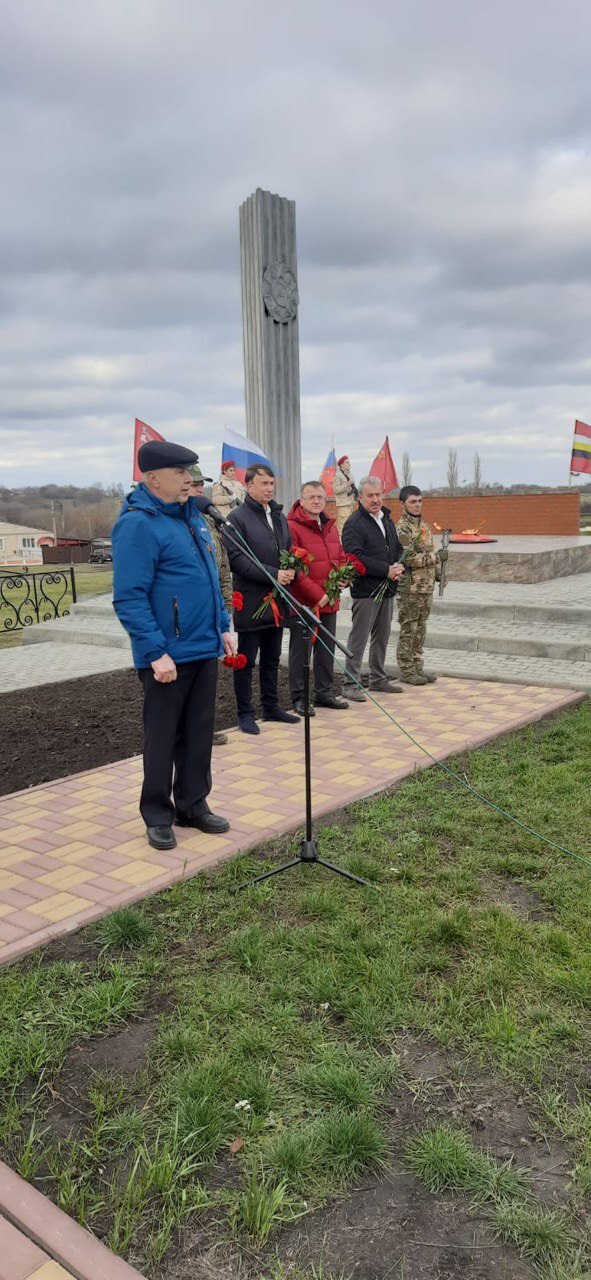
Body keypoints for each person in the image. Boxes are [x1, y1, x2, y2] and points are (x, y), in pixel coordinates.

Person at [112, 440, 236, 851]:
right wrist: (154, 652)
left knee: (199, 733)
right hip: (166, 654)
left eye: (191, 472)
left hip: (203, 646)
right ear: (153, 479)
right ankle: (157, 813)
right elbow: (129, 596)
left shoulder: (194, 518)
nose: (190, 480)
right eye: (182, 473)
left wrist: (224, 624)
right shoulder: (138, 524)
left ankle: (192, 804)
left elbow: (209, 579)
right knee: (163, 737)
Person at [222, 463, 300, 735]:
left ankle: (271, 706)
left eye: (271, 483)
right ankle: (245, 713)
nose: (269, 488)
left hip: (277, 601)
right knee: (247, 660)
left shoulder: (278, 516)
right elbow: (238, 560)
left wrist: (292, 566)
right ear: (249, 485)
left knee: (272, 657)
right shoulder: (236, 518)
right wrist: (274, 574)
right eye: (263, 483)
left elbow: (287, 548)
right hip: (252, 602)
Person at [287, 481, 349, 715]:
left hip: (329, 600)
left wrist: (344, 577)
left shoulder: (330, 525)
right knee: (301, 652)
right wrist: (317, 594)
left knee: (327, 649)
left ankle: (324, 692)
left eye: (320, 497)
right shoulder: (292, 527)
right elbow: (295, 567)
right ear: (301, 500)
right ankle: (299, 697)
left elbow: (340, 555)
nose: (316, 501)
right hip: (305, 603)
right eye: (311, 497)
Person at [341, 476, 405, 702]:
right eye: (370, 496)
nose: (376, 499)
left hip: (387, 588)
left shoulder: (386, 518)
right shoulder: (354, 523)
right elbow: (355, 556)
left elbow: (396, 547)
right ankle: (350, 683)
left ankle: (378, 678)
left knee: (382, 635)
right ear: (360, 497)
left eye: (378, 495)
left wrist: (399, 564)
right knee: (359, 638)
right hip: (366, 591)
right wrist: (385, 570)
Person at [186, 466, 232, 745]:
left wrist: (226, 606)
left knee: (207, 679)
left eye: (201, 486)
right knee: (188, 678)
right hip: (188, 615)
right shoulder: (177, 523)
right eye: (193, 485)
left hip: (213, 612)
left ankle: (203, 727)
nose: (198, 491)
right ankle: (186, 730)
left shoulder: (208, 520)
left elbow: (223, 567)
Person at [396, 485, 448, 685]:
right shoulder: (402, 528)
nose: (417, 505)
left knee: (421, 629)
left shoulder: (424, 526)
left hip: (426, 588)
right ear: (403, 504)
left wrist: (438, 575)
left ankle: (417, 665)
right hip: (410, 589)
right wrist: (436, 558)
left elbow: (429, 552)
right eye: (413, 502)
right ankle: (406, 670)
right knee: (409, 629)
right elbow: (407, 558)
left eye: (419, 501)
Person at [333, 455, 358, 535]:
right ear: (342, 465)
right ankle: (340, 547)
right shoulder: (338, 475)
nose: (349, 464)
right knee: (342, 529)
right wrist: (348, 484)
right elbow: (336, 490)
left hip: (350, 504)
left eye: (349, 462)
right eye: (347, 462)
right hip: (343, 505)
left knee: (350, 528)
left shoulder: (350, 475)